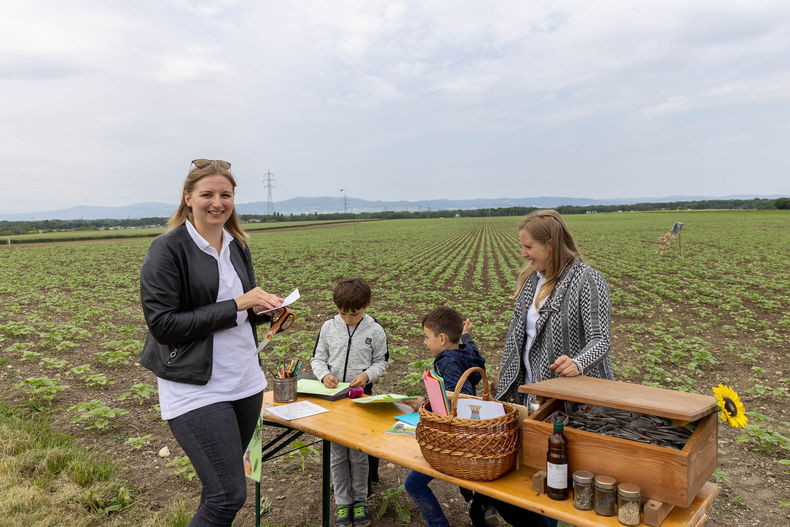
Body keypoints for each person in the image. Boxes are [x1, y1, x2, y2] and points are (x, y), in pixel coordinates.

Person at [139, 159, 285, 526]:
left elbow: (239, 310)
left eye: (225, 194)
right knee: (227, 495)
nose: (217, 202)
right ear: (188, 198)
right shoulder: (167, 249)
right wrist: (240, 303)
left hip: (245, 381)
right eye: (207, 194)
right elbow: (163, 325)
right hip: (195, 386)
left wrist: (266, 312)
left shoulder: (237, 245)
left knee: (220, 487)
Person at [474, 209, 613, 527]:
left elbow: (600, 340)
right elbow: (521, 339)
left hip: (571, 399)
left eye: (529, 247)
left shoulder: (587, 280)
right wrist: (505, 374)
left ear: (550, 244)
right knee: (536, 471)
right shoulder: (531, 280)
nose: (523, 254)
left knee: (562, 471)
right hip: (532, 392)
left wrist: (578, 362)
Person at [311, 278, 389, 527]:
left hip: (360, 400)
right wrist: (324, 375)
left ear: (368, 304)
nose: (348, 318)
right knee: (336, 454)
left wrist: (367, 375)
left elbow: (382, 361)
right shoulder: (327, 328)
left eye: (354, 314)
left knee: (357, 453)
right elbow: (317, 358)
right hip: (333, 401)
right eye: (342, 313)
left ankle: (360, 500)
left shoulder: (375, 330)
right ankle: (343, 503)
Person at [404, 306, 487, 527]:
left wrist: (423, 403)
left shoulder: (447, 361)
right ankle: (484, 505)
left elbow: (460, 397)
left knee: (413, 484)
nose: (424, 342)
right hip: (471, 437)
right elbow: (477, 359)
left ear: (442, 338)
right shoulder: (463, 353)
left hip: (454, 438)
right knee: (471, 482)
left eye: (426, 337)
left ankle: (439, 524)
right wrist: (467, 335)